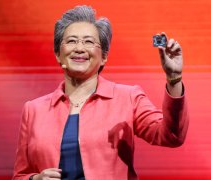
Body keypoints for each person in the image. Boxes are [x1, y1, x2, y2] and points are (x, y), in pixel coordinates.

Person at [12, 5, 189, 180]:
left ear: (104, 56)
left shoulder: (127, 98)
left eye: (88, 41)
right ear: (58, 54)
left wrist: (174, 78)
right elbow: (20, 175)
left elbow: (172, 136)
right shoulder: (33, 109)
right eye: (72, 41)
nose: (79, 48)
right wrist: (35, 179)